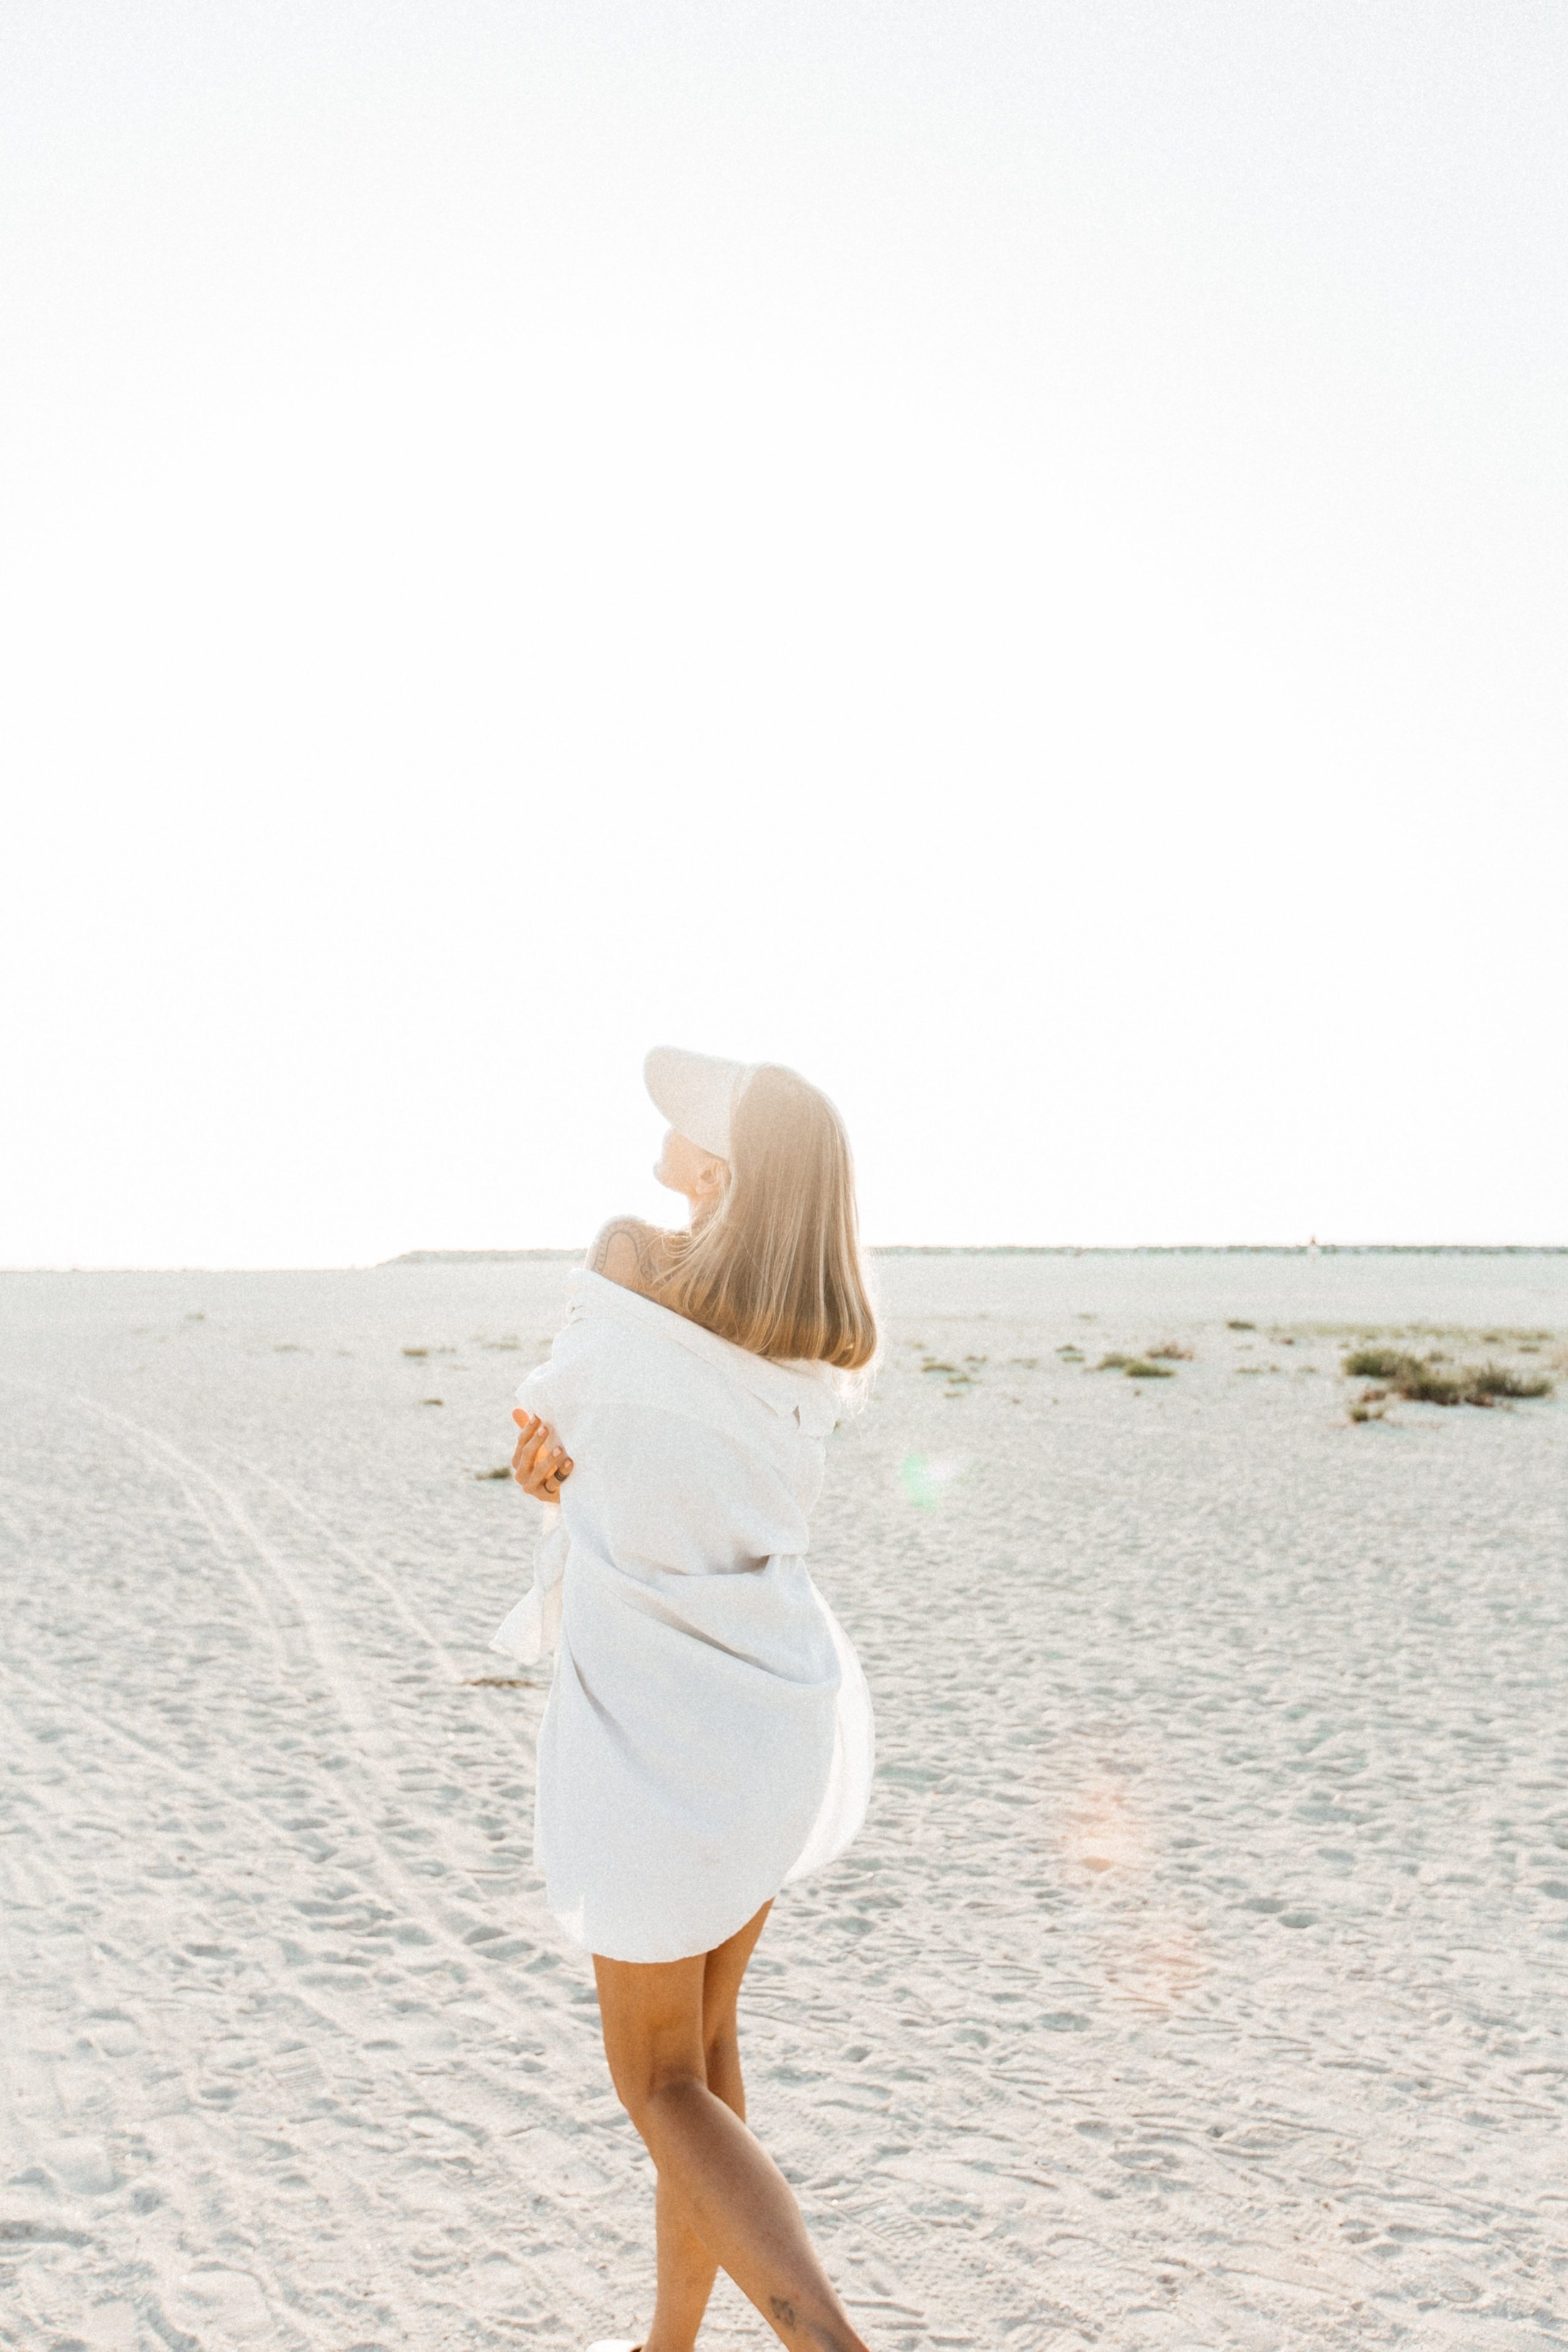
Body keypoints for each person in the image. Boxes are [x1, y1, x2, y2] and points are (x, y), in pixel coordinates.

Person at [492, 1047, 880, 2352]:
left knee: (655, 2080)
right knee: (702, 2063)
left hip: (653, 1716)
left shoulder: (627, 1258)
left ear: (721, 1172)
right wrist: (570, 1482)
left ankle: (827, 2343)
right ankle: (668, 2349)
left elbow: (563, 1431)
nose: (667, 1125)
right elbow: (636, 1468)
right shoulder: (807, 1336)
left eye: (694, 1123)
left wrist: (553, 1476)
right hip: (768, 1704)